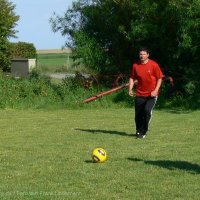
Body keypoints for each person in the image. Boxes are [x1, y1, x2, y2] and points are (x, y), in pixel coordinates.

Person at [129, 47, 163, 138]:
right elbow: (132, 77)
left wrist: (155, 90)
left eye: (144, 54)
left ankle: (143, 131)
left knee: (147, 111)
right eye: (140, 54)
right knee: (138, 115)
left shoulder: (154, 65)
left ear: (148, 55)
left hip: (152, 94)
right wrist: (130, 89)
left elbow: (160, 78)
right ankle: (138, 130)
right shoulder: (135, 65)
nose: (142, 56)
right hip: (140, 94)